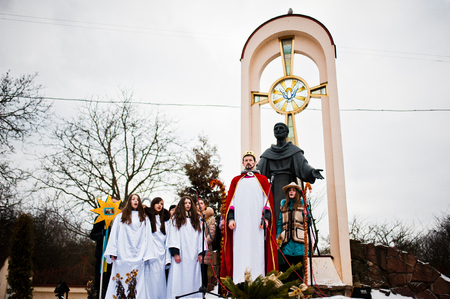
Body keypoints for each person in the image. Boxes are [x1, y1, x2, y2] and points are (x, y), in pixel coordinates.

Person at [221, 151, 278, 284]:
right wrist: (230, 219)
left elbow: (267, 202)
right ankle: (239, 281)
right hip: (239, 226)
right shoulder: (236, 180)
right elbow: (231, 202)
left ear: (255, 162)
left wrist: (266, 218)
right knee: (240, 250)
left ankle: (257, 280)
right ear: (242, 163)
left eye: (250, 160)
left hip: (256, 225)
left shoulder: (263, 180)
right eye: (246, 160)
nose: (248, 162)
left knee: (256, 251)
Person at [257, 122, 323, 227]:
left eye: (281, 128)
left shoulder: (294, 151)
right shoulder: (268, 154)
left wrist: (311, 172)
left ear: (287, 133)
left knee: (291, 215)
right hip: (274, 189)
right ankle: (276, 239)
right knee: (276, 215)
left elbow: (303, 166)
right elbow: (258, 171)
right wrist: (248, 175)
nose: (278, 130)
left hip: (290, 186)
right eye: (276, 128)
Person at [103, 194, 155, 299]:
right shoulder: (120, 217)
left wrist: (147, 254)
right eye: (133, 199)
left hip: (138, 257)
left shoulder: (144, 218)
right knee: (120, 280)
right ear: (129, 202)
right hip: (122, 255)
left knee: (137, 282)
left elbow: (148, 237)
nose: (135, 201)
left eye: (137, 200)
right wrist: (113, 251)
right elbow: (115, 235)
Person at [166, 196, 204, 299]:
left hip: (193, 255)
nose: (187, 205)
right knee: (179, 277)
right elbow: (173, 236)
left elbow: (201, 236)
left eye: (189, 203)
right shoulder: (176, 219)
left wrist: (201, 253)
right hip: (181, 255)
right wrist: (175, 253)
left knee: (193, 278)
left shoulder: (197, 219)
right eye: (185, 203)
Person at [89, 195, 119, 299]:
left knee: (111, 278)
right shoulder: (100, 219)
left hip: (114, 255)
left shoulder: (118, 219)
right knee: (99, 278)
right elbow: (92, 235)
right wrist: (101, 234)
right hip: (102, 253)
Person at [277, 182, 307, 281]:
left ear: (297, 193)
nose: (291, 192)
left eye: (293, 190)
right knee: (287, 270)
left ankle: (299, 292)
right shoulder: (283, 204)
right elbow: (280, 222)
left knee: (298, 270)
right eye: (290, 190)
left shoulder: (303, 204)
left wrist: (306, 215)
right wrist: (278, 237)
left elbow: (308, 224)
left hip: (299, 244)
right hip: (287, 243)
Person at [144, 197, 170, 299]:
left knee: (160, 278)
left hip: (161, 251)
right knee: (151, 277)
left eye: (162, 204)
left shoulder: (165, 220)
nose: (160, 205)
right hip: (151, 251)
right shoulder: (148, 218)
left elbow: (167, 236)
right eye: (157, 203)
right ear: (153, 204)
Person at [198, 198, 216, 290]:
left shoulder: (210, 218)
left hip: (205, 248)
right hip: (193, 249)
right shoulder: (193, 217)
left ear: (205, 205)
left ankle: (203, 291)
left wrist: (203, 243)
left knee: (203, 272)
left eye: (201, 203)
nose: (199, 205)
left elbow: (211, 233)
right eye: (198, 203)